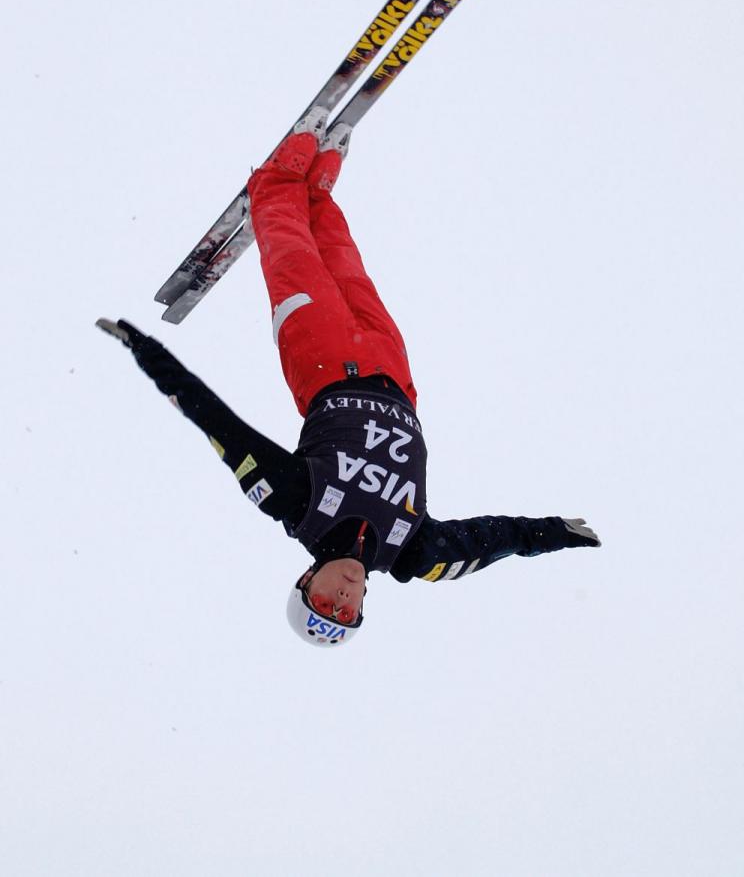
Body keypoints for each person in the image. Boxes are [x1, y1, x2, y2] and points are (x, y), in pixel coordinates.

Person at [97, 109, 600, 647]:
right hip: (394, 375)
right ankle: (319, 189)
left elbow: (218, 424)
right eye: (348, 610)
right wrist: (557, 534)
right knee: (344, 260)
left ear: (306, 580)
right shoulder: (412, 553)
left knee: (292, 257)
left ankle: (279, 177)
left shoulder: (296, 506)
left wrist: (146, 353)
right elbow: (494, 540)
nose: (343, 596)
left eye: (325, 602)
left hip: (321, 360)